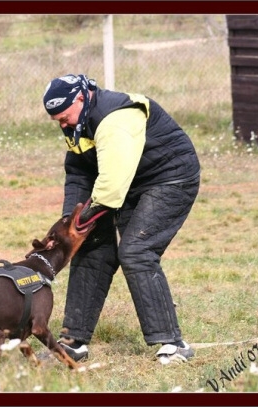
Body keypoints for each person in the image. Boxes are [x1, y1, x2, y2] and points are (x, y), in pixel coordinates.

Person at [42, 74, 201, 364]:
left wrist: (82, 220)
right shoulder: (76, 122)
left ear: (81, 98)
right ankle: (73, 343)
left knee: (137, 251)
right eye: (58, 121)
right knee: (91, 248)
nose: (63, 125)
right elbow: (78, 172)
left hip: (169, 178)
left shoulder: (115, 120)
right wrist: (71, 218)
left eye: (64, 118)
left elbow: (111, 189)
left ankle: (174, 345)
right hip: (130, 183)